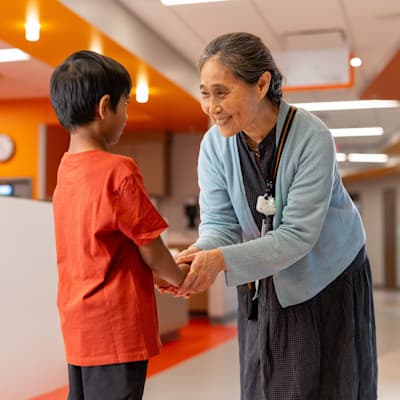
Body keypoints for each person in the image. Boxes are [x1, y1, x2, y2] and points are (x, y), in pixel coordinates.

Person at [175, 32, 377, 399]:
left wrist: (221, 259)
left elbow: (298, 235)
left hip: (328, 274)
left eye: (222, 92)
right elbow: (220, 223)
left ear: (262, 84)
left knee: (327, 383)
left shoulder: (311, 137)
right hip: (264, 273)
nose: (212, 106)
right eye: (205, 93)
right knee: (265, 379)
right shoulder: (214, 145)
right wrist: (199, 257)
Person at [50, 50, 188, 400]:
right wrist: (181, 278)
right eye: (125, 104)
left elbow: (104, 248)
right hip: (116, 327)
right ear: (104, 106)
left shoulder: (66, 171)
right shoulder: (118, 171)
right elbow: (152, 250)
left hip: (79, 322)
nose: (126, 115)